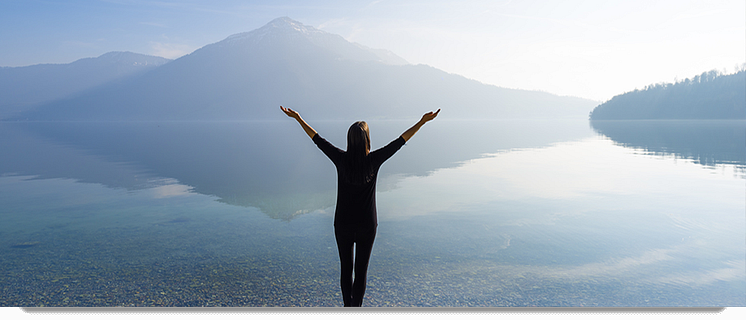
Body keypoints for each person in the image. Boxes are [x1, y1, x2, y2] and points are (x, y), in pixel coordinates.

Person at [280, 106, 440, 307]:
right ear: (367, 140)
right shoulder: (374, 160)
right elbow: (401, 141)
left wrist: (298, 118)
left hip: (343, 225)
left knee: (346, 269)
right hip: (367, 226)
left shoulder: (341, 159)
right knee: (361, 272)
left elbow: (317, 139)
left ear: (350, 140)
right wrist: (422, 122)